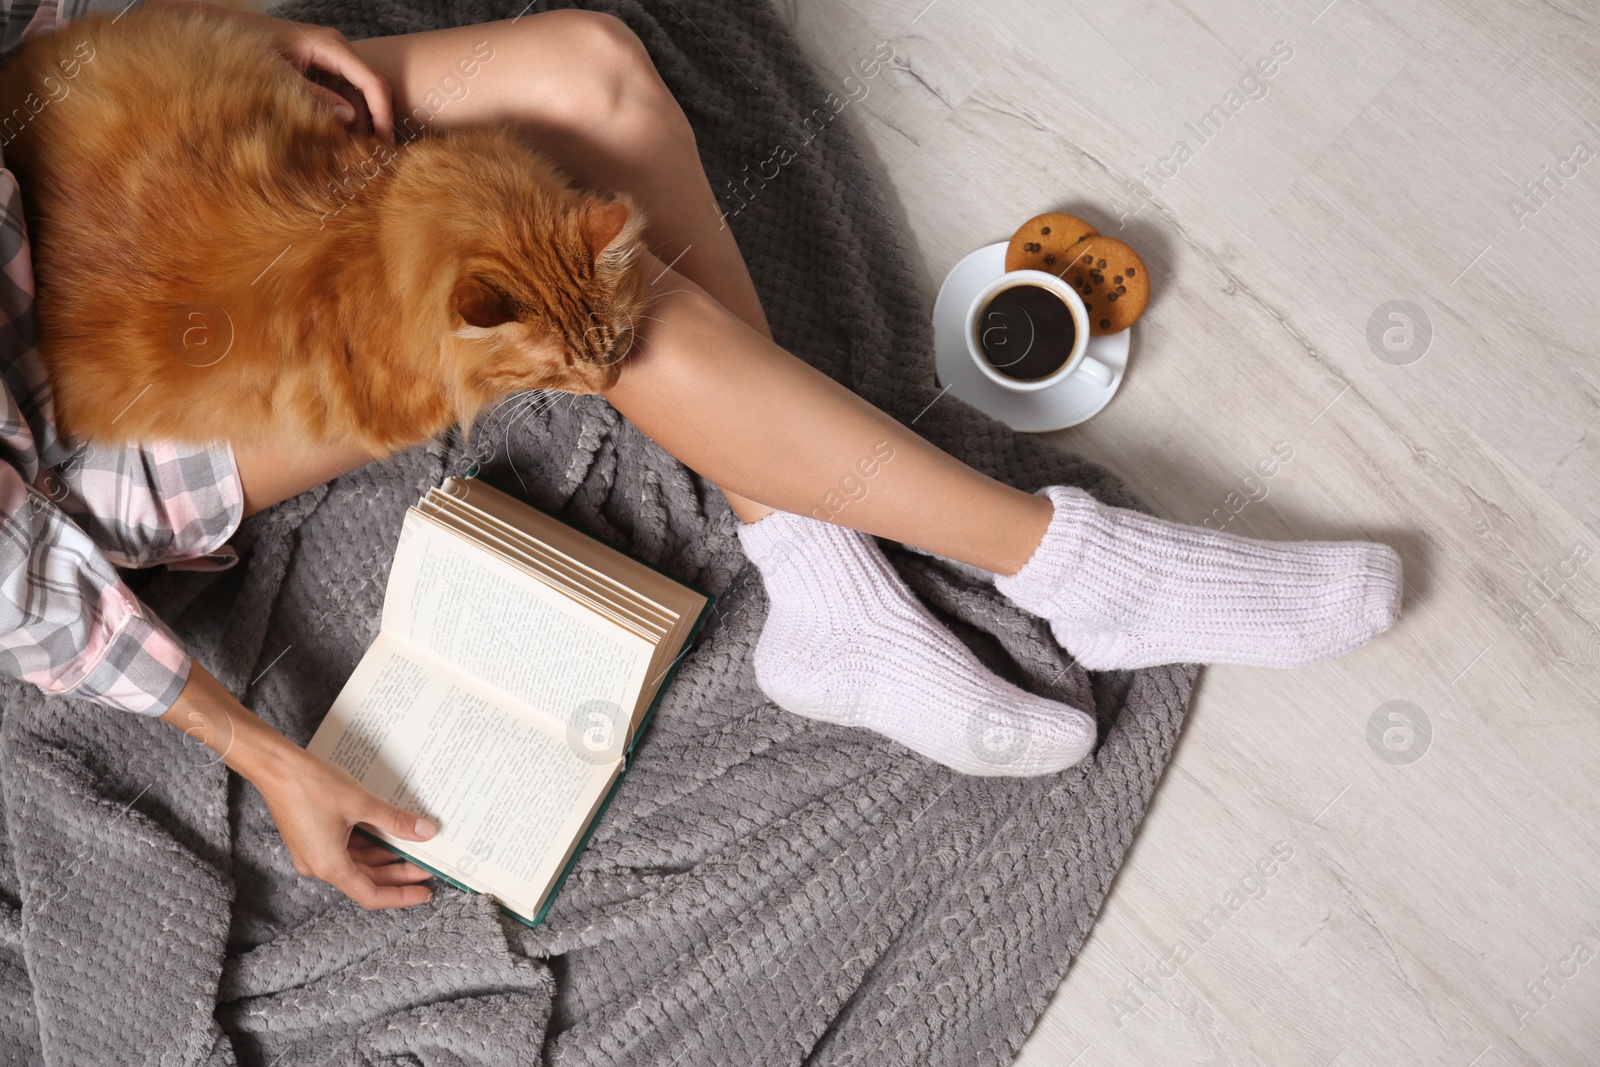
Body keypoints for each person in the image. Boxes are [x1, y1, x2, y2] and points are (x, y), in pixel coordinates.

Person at [0, 0, 1403, 911]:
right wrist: (269, 759)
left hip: (55, 133)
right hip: (75, 431)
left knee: (595, 72)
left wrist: (194, 42)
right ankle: (1073, 567)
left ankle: (825, 585)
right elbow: (20, 587)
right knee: (569, 293)